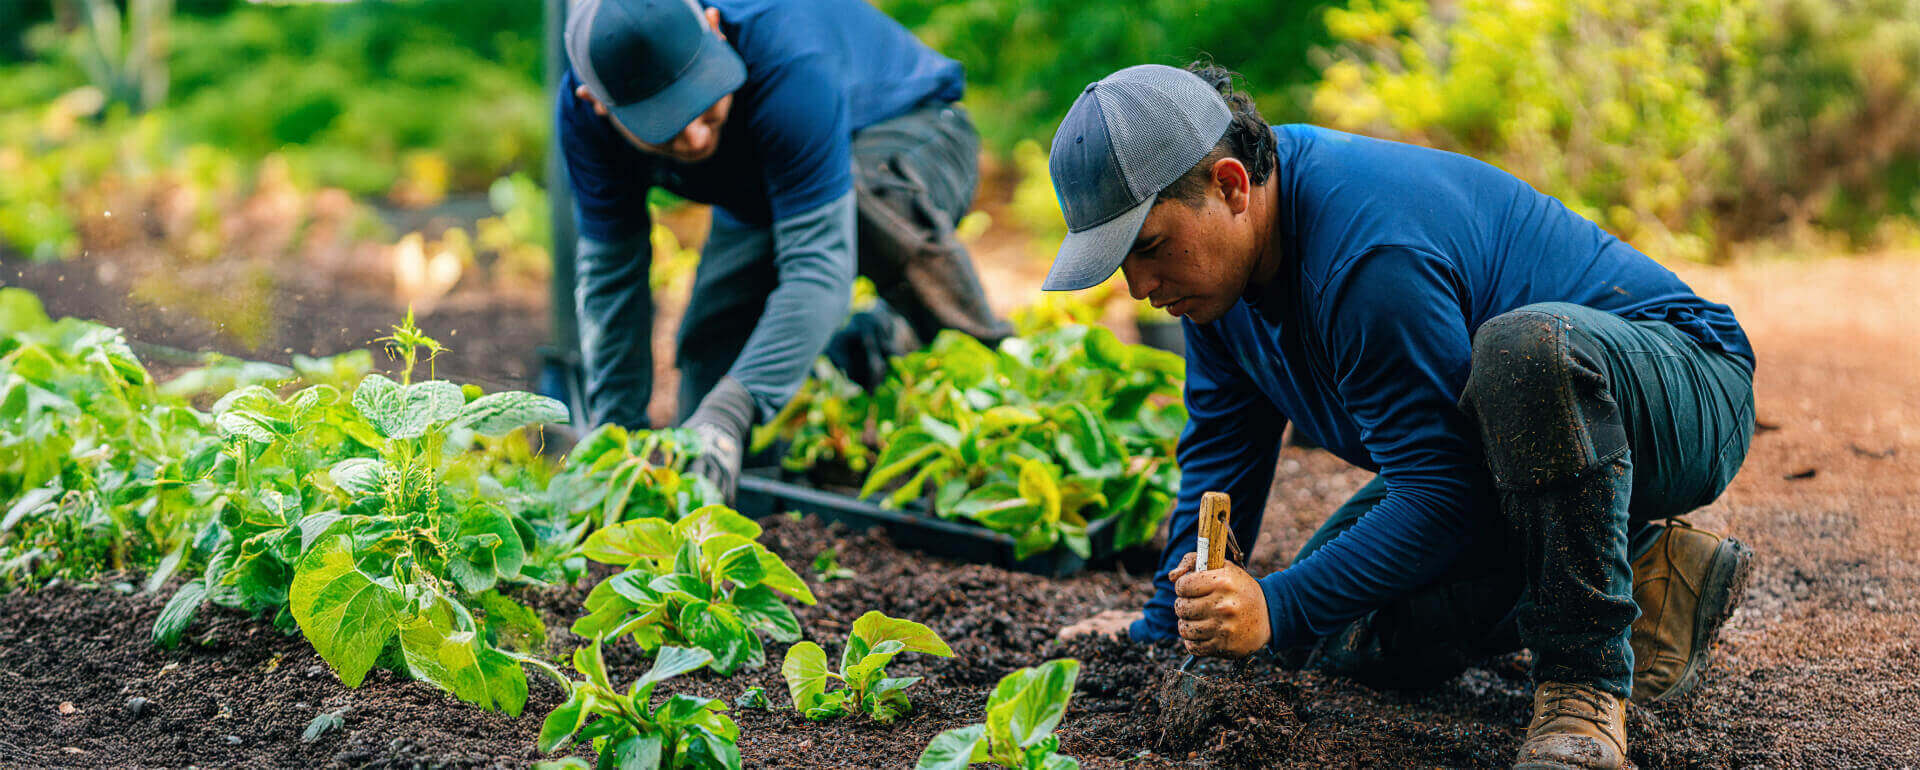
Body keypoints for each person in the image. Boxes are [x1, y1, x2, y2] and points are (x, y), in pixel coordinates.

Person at [1046, 63, 1757, 770]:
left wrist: (1275, 604)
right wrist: (1170, 622)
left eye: (1150, 247)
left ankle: (1583, 682)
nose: (1138, 286)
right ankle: (1642, 568)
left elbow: (1444, 497)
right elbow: (1222, 455)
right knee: (1336, 629)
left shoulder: (1367, 254)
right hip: (1508, 457)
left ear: (1231, 185)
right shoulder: (1220, 285)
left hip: (1676, 381)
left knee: (1523, 352)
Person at [557, 0, 1010, 501]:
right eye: (663, 128)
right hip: (766, 184)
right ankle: (766, 475)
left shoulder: (785, 50)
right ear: (597, 104)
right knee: (710, 354)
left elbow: (819, 268)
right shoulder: (585, 117)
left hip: (914, 136)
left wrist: (734, 410)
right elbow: (611, 283)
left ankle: (985, 385)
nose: (694, 137)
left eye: (702, 105)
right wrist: (617, 444)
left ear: (714, 30)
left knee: (866, 203)